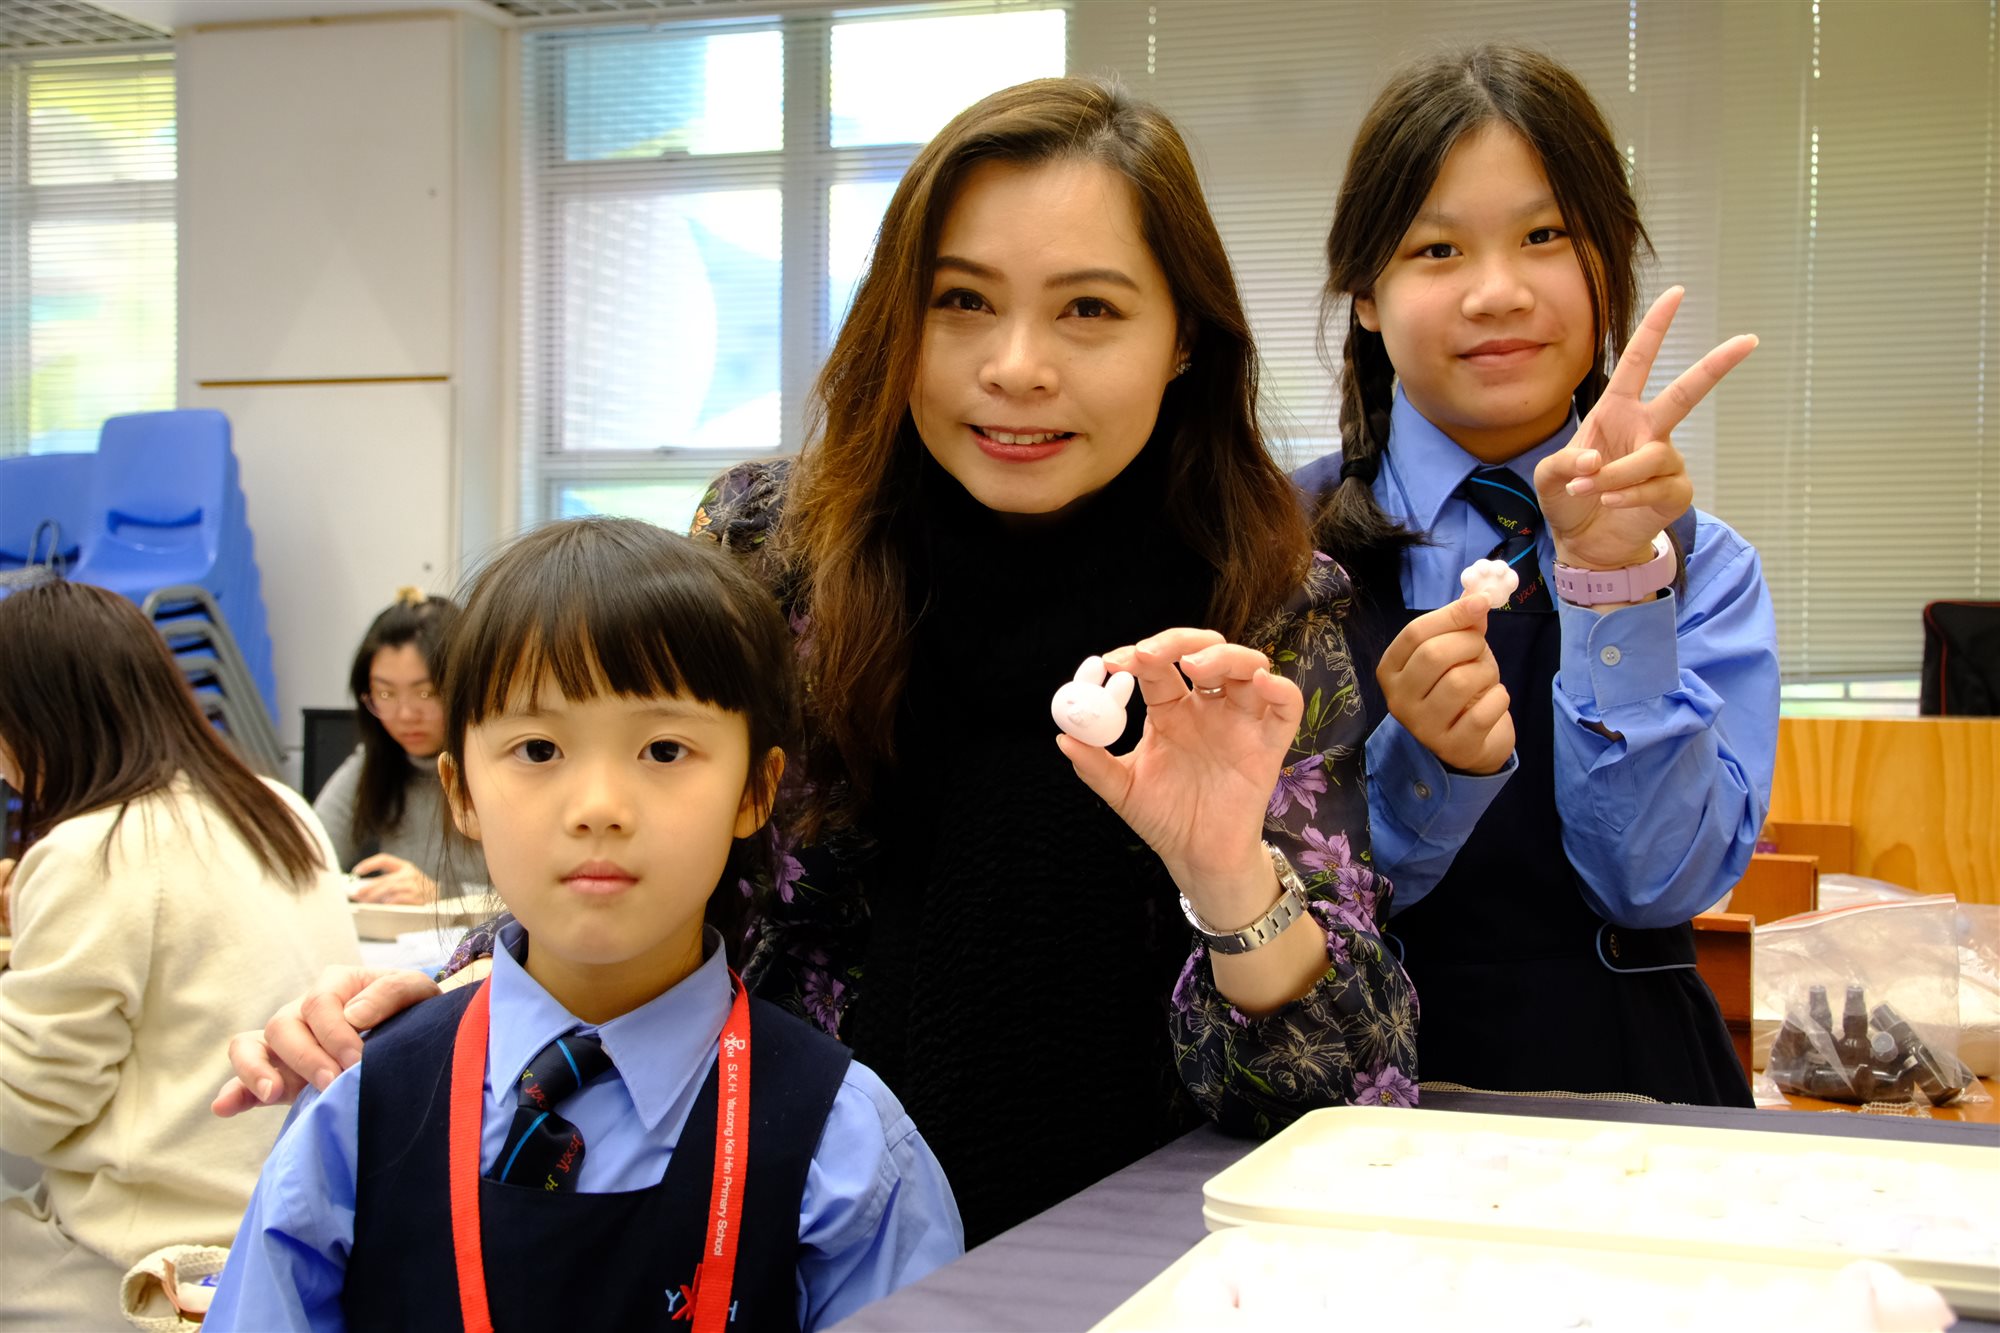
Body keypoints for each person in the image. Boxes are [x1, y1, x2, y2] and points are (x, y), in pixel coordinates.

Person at [215, 77, 1418, 1246]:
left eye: (1088, 310)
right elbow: (642, 829)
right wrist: (451, 997)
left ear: (1183, 342)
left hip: (1111, 1263)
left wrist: (1227, 876)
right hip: (765, 1228)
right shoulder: (771, 551)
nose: (1015, 365)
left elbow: (1350, 1091)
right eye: (960, 300)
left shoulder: (1253, 612)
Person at [204, 519, 963, 1331]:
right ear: (461, 792)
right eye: (538, 749)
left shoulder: (843, 1143)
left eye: (664, 749)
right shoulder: (360, 1107)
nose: (599, 807)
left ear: (755, 790)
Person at [1300, 45, 1778, 1105]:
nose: (1498, 293)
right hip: (1354, 1114)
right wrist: (1421, 767)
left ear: (1607, 262)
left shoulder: (1706, 565)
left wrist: (1617, 586)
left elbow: (1656, 884)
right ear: (1365, 292)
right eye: (1436, 248)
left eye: (1544, 236)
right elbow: (1255, 896)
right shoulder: (1273, 551)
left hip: (1638, 1107)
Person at [0, 578, 362, 1330]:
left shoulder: (92, 849)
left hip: (149, 1259)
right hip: (288, 1232)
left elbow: (29, 1111)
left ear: (36, 720)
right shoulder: (276, 807)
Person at [313, 588, 486, 904]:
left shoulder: (502, 766)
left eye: (425, 693)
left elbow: (544, 902)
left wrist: (443, 895)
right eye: (385, 694)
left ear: (466, 687)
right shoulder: (375, 762)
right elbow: (309, 855)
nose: (405, 715)